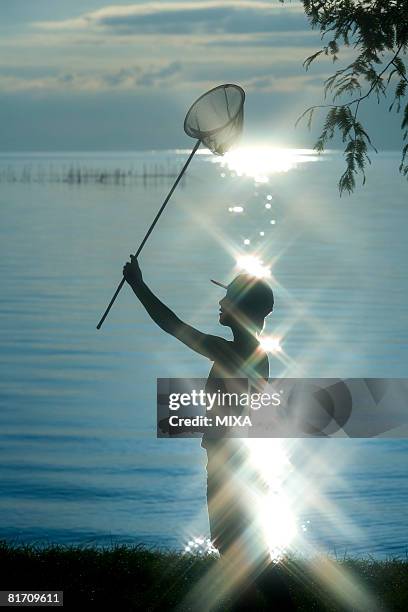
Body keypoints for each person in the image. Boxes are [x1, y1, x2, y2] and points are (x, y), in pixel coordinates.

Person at [123, 256, 293, 609]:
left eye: (227, 298)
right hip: (236, 460)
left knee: (236, 547)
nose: (220, 303)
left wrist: (138, 286)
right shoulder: (254, 351)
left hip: (229, 463)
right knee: (238, 547)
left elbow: (174, 326)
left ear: (242, 310)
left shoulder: (236, 352)